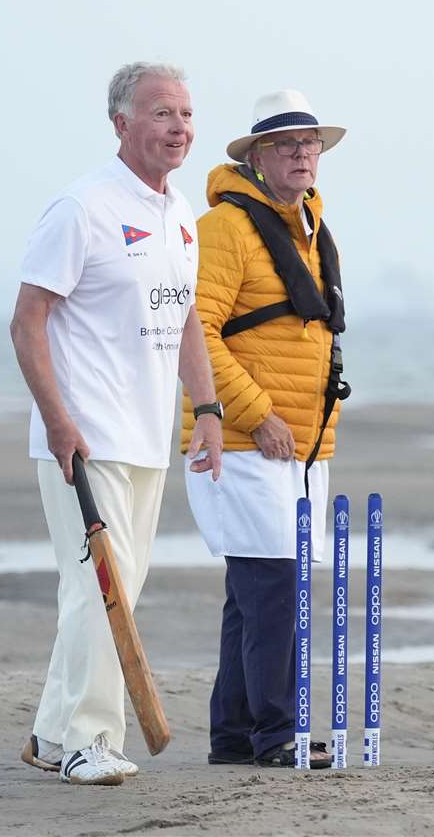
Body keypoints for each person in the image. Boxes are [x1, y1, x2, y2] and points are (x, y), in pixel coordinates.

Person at [10, 62, 225, 786]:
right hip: (84, 437)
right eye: (161, 113)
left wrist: (208, 410)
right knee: (103, 590)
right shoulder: (83, 207)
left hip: (146, 439)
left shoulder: (180, 213)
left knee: (108, 591)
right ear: (121, 124)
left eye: (187, 114)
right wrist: (59, 422)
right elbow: (27, 320)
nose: (179, 127)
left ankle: (47, 733)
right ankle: (88, 740)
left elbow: (187, 316)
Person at [181, 88, 349, 769]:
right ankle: (276, 734)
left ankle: (236, 735)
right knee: (274, 589)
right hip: (248, 440)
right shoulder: (225, 228)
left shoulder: (306, 226)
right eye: (287, 145)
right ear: (256, 156)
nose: (303, 154)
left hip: (304, 445)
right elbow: (194, 333)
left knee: (253, 595)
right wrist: (256, 412)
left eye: (310, 144)